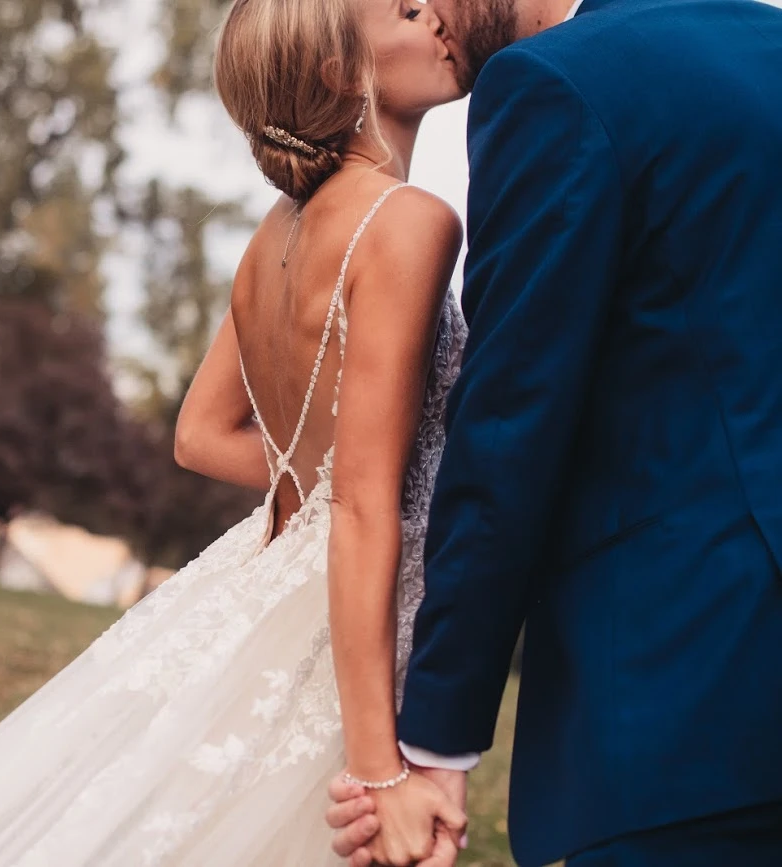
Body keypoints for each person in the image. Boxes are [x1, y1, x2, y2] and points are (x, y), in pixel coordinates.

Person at [0, 0, 472, 863]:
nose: (432, 12)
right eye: (401, 7)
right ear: (338, 71)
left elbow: (202, 435)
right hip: (341, 622)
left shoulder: (273, 237)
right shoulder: (408, 222)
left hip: (269, 579)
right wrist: (379, 777)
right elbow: (360, 505)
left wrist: (341, 479)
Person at [328, 0, 782, 864]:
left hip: (689, 701)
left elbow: (510, 425)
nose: (425, 17)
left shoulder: (556, 82)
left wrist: (434, 740)